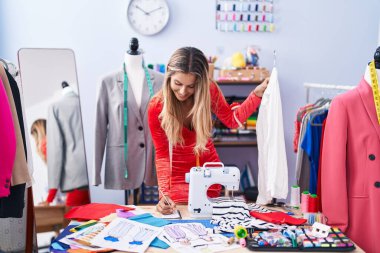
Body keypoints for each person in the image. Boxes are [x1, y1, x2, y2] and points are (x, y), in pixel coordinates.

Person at [148, 47, 269, 214]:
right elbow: (162, 154)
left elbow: (232, 120)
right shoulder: (156, 107)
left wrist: (256, 94)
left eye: (191, 86)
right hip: (174, 178)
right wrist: (163, 194)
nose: (183, 92)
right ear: (169, 75)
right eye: (178, 83)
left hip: (208, 171)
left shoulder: (208, 91)